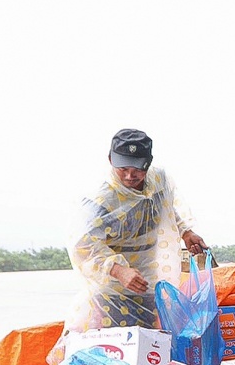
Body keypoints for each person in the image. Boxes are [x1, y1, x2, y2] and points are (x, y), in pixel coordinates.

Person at [63, 130, 207, 338]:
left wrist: (186, 231)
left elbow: (167, 209)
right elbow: (84, 246)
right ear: (110, 159)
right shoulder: (99, 200)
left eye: (137, 169)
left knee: (149, 342)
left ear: (148, 163)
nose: (130, 176)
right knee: (116, 345)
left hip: (149, 282)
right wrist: (118, 270)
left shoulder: (159, 180)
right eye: (123, 168)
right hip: (111, 292)